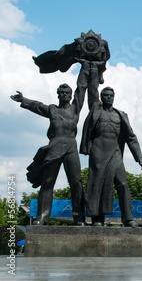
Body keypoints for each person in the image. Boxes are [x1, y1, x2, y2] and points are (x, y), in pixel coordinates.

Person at [10, 61, 89, 225]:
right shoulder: (53, 110)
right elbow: (37, 106)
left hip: (70, 147)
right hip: (54, 147)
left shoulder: (75, 108)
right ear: (58, 95)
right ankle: (42, 217)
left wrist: (85, 68)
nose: (64, 95)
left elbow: (81, 87)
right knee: (47, 183)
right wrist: (24, 100)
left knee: (76, 183)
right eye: (61, 93)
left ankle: (79, 217)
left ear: (71, 95)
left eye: (67, 93)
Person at [80, 64, 142, 227]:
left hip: (115, 154)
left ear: (114, 97)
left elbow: (131, 137)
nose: (108, 97)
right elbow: (93, 89)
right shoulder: (96, 110)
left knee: (122, 184)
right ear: (102, 97)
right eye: (105, 95)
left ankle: (128, 218)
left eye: (111, 95)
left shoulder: (120, 115)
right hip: (98, 153)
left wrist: (140, 157)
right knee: (97, 185)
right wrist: (93, 69)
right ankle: (97, 218)